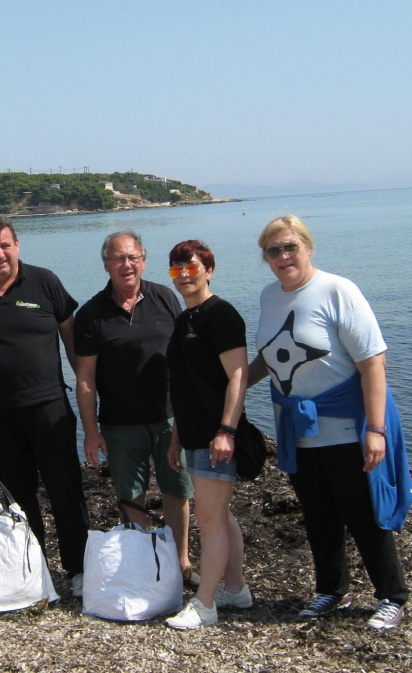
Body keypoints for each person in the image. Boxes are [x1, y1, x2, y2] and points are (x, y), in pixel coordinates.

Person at [248, 214, 412, 631]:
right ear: (265, 258)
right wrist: (228, 386)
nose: (284, 256)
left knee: (362, 513)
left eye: (291, 247)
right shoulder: (269, 297)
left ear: (308, 247)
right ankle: (329, 589)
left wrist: (376, 431)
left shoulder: (338, 290)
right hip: (297, 431)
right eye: (274, 250)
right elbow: (272, 359)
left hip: (345, 427)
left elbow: (373, 363)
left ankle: (391, 597)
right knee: (318, 514)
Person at [0, 215, 90, 595]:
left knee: (66, 492)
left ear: (17, 245)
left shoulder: (45, 283)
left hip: (50, 408)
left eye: (5, 244)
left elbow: (73, 343)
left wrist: (88, 392)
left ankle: (78, 571)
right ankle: (33, 572)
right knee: (19, 499)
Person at [73, 231, 197, 585]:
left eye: (133, 257)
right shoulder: (91, 314)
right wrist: (91, 432)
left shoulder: (166, 298)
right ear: (106, 264)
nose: (126, 265)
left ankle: (181, 562)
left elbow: (185, 360)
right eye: (117, 258)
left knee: (178, 490)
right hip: (119, 423)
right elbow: (85, 378)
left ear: (143, 260)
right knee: (131, 496)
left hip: (169, 417)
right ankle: (141, 562)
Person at [162, 240, 253, 630]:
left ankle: (205, 604)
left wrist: (226, 430)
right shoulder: (184, 322)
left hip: (218, 435)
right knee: (219, 514)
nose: (184, 275)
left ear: (209, 270)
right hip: (195, 432)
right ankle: (235, 588)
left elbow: (238, 375)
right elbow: (185, 385)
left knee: (210, 518)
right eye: (176, 270)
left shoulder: (222, 315)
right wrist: (176, 437)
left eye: (192, 267)